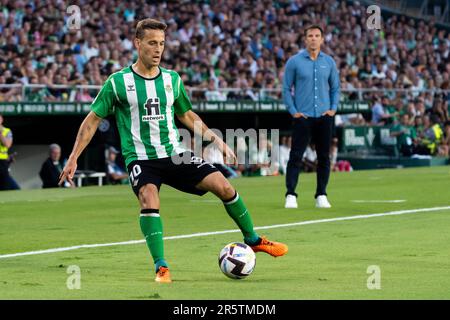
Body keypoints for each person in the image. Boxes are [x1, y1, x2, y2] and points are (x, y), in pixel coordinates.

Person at [58, 18, 287, 284]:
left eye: (162, 44)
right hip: (141, 158)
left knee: (223, 186)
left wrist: (217, 141)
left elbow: (187, 115)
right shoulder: (117, 82)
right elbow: (92, 121)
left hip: (174, 153)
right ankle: (162, 267)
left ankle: (253, 239)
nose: (158, 49)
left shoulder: (172, 80)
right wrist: (73, 156)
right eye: (152, 43)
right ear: (137, 43)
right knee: (149, 197)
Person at [282, 25, 340, 209]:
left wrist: (333, 109)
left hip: (324, 117)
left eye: (317, 36)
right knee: (296, 156)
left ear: (322, 39)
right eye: (310, 36)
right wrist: (294, 111)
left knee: (324, 157)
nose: (313, 39)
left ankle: (321, 194)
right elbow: (285, 88)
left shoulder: (329, 62)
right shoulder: (294, 61)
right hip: (303, 117)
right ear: (305, 39)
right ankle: (291, 194)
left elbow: (335, 88)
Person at [0, 114, 19, 191]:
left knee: (5, 185)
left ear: (2, 119)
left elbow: (7, 144)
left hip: (2, 162)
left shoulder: (7, 131)